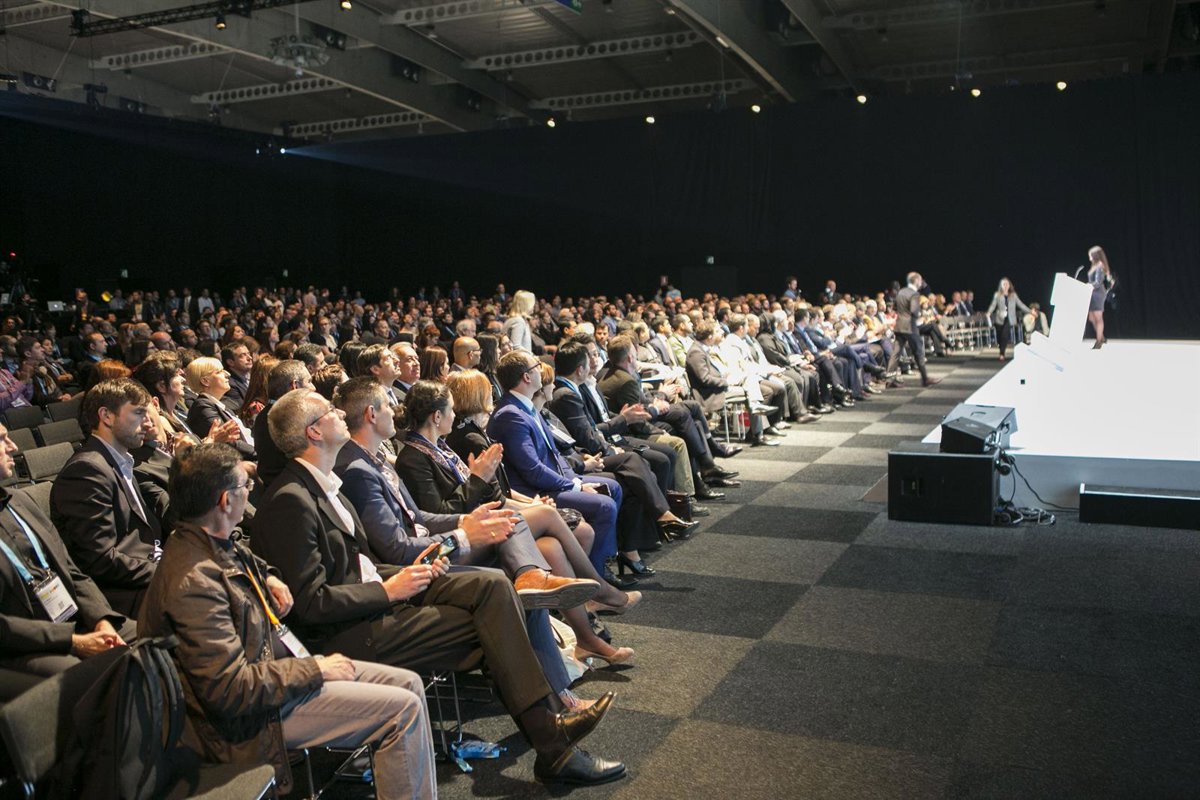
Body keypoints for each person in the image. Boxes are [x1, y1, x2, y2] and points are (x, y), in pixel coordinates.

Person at [251, 388, 625, 786]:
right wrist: (391, 589)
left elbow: (363, 563)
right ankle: (553, 741)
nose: (340, 413)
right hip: (351, 631)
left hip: (378, 596)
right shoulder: (290, 500)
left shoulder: (326, 483)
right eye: (329, 411)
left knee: (495, 586)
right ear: (313, 432)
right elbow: (311, 603)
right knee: (500, 615)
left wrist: (415, 571)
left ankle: (553, 732)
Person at [138, 443, 437, 798]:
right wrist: (315, 669)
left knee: (409, 684)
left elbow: (245, 559)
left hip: (274, 676)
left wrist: (269, 576)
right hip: (247, 720)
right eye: (245, 486)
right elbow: (230, 690)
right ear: (225, 501)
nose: (249, 491)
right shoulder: (194, 584)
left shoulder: (206, 539)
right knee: (402, 711)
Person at [0, 423, 134, 685]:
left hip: (72, 617)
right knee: (93, 678)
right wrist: (74, 641)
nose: (13, 447)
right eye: (3, 439)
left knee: (148, 640)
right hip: (23, 645)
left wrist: (100, 619)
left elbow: (70, 569)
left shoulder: (20, 501)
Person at [50, 379, 164, 617]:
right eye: (139, 413)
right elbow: (100, 559)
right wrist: (167, 571)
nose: (148, 421)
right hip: (123, 593)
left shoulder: (119, 460)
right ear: (107, 416)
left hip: (146, 568)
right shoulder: (86, 470)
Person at [186, 357, 257, 460]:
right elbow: (230, 441)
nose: (227, 374)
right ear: (205, 381)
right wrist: (260, 453)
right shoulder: (202, 406)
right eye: (219, 372)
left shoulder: (218, 404)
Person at [886, 272, 941, 387]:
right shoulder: (914, 294)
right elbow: (914, 311)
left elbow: (895, 307)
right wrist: (919, 315)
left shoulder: (901, 292)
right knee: (919, 351)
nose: (921, 283)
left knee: (895, 353)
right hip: (910, 327)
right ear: (916, 281)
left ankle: (889, 380)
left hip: (899, 326)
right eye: (920, 280)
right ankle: (925, 379)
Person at [986, 277, 1031, 362]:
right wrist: (989, 312)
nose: (1005, 286)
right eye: (1004, 284)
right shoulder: (997, 295)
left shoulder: (1013, 295)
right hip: (1000, 318)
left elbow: (1021, 304)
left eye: (1007, 284)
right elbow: (993, 305)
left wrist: (1030, 311)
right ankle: (1001, 348)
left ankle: (1002, 354)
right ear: (1001, 285)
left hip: (1010, 319)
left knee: (1005, 335)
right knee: (999, 336)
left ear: (1009, 285)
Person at [1086, 245, 1114, 349]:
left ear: (1095, 255)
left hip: (1098, 294)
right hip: (1092, 293)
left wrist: (1089, 285)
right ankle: (1101, 337)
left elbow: (1098, 282)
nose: (1089, 257)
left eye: (1090, 255)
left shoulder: (1100, 266)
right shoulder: (1094, 265)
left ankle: (1098, 342)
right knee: (1091, 317)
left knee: (1098, 317)